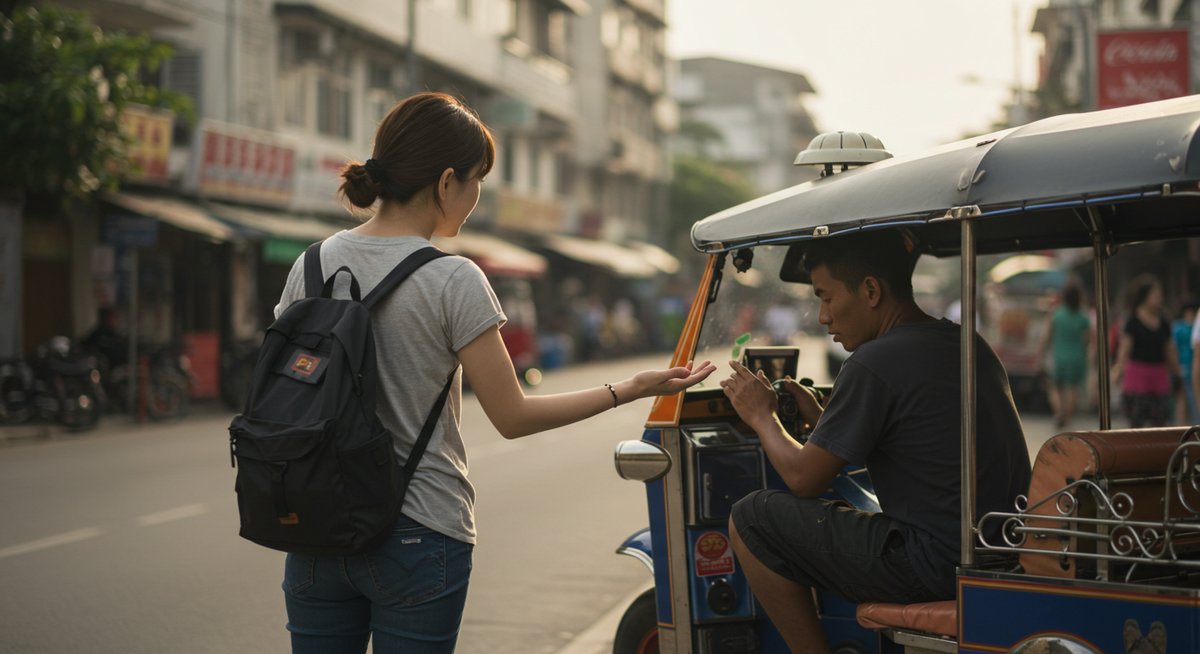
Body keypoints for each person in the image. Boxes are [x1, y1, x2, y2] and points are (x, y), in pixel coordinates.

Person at [270, 92, 715, 654]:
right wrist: (628, 388)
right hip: (417, 529)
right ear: (446, 182)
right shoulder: (452, 279)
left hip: (316, 524)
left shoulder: (311, 264)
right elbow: (512, 415)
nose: (478, 195)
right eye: (478, 179)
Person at [719, 230, 1031, 653]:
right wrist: (826, 420)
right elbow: (915, 446)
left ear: (870, 291)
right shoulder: (965, 343)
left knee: (752, 518)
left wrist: (762, 416)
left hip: (933, 563)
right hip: (999, 549)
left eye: (827, 298)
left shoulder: (874, 362)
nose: (823, 317)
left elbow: (803, 479)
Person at [1111, 275, 1179, 428]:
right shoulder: (1133, 321)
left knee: (1160, 422)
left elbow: (1169, 350)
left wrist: (1177, 371)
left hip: (1159, 374)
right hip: (1137, 375)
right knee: (1137, 423)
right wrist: (1118, 369)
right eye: (1155, 295)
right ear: (1144, 297)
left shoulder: (1164, 322)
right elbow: (1125, 349)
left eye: (1160, 295)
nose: (1160, 299)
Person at [1038, 283, 1093, 429]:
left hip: (1059, 358)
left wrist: (1040, 355)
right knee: (1072, 388)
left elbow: (1046, 337)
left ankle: (1059, 412)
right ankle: (1067, 419)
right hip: (1077, 357)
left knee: (1053, 386)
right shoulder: (1083, 317)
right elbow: (1087, 340)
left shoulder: (1056, 314)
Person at [1174, 300, 1198, 424]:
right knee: (1182, 396)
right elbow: (1173, 347)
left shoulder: (1194, 326)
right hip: (1183, 365)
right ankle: (1182, 423)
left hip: (1192, 365)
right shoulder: (1178, 328)